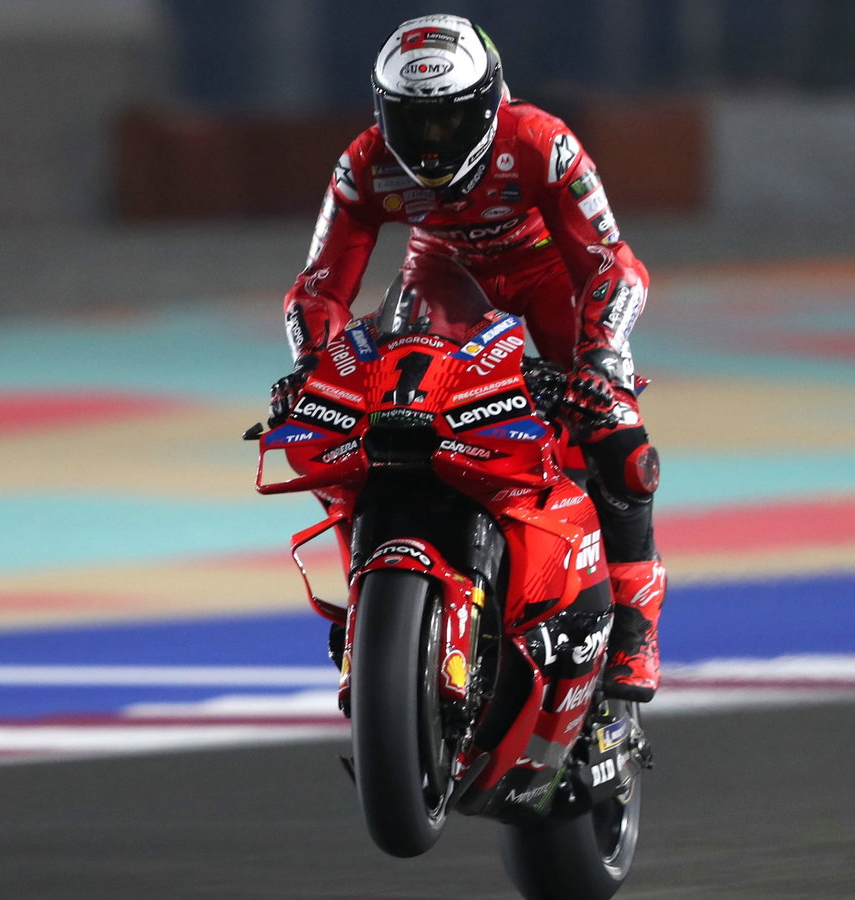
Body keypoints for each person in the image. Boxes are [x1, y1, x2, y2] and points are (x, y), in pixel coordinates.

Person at [271, 14, 665, 701]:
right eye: (412, 120)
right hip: (443, 279)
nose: (429, 143)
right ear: (381, 111)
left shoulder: (543, 142)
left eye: (449, 121)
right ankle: (375, 611)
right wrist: (313, 367)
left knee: (618, 442)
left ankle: (635, 628)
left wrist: (601, 363)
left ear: (487, 104)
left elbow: (614, 265)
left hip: (551, 282)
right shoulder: (364, 162)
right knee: (374, 421)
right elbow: (319, 286)